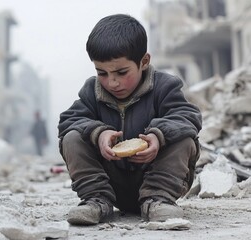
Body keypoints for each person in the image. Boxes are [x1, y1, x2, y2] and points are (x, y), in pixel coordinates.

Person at [57, 14, 201, 225]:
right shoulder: (92, 91)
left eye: (121, 72)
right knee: (72, 137)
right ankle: (96, 201)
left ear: (144, 62)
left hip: (158, 179)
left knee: (184, 137)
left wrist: (157, 136)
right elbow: (69, 120)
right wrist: (99, 133)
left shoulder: (165, 87)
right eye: (102, 73)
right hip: (109, 184)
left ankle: (158, 200)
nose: (112, 82)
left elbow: (187, 116)